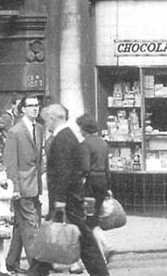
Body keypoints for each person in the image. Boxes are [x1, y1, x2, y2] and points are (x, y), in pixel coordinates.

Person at [29, 104, 108, 276]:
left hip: (67, 200)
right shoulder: (69, 135)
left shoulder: (63, 137)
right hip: (69, 198)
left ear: (52, 118)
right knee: (54, 236)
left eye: (45, 120)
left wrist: (60, 199)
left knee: (75, 240)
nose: (45, 124)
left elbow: (64, 170)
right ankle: (36, 271)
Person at [3, 95, 44, 275]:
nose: (35, 108)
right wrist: (15, 188)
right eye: (30, 105)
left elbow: (39, 160)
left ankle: (11, 261)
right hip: (22, 185)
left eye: (37, 105)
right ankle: (36, 264)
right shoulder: (15, 131)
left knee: (21, 225)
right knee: (30, 224)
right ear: (22, 109)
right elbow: (10, 162)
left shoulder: (40, 128)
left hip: (35, 183)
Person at [77, 113, 113, 263]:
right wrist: (108, 188)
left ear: (84, 128)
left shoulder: (85, 144)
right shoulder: (103, 143)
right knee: (94, 218)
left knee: (88, 220)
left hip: (90, 183)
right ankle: (106, 245)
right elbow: (107, 167)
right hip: (102, 182)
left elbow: (84, 167)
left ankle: (101, 253)